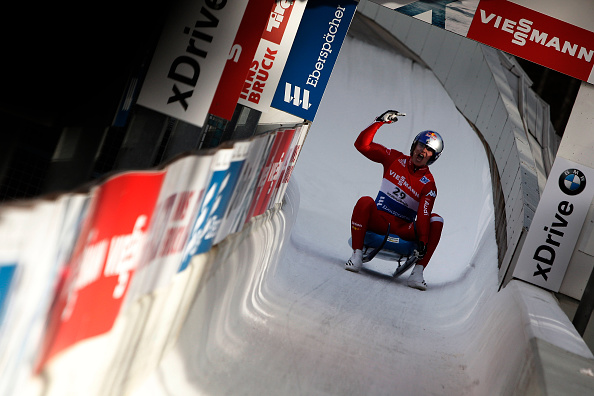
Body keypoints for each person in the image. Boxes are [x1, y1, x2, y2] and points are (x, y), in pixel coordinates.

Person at [345, 110, 444, 291]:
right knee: (364, 201)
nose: (423, 151)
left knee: (436, 220)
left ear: (433, 157)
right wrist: (379, 122)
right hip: (380, 221)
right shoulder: (394, 158)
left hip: (403, 229)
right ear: (414, 146)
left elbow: (424, 214)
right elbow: (362, 145)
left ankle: (418, 273)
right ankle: (356, 255)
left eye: (429, 150)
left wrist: (422, 240)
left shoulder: (429, 184)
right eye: (422, 146)